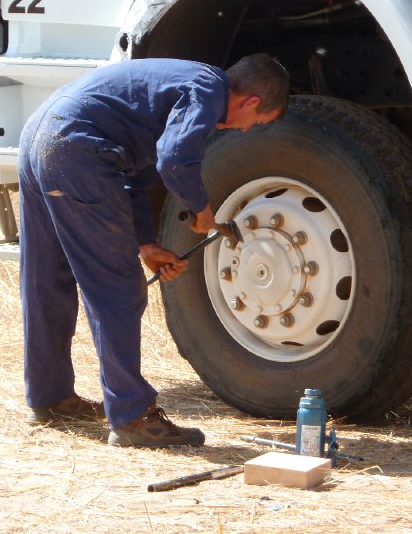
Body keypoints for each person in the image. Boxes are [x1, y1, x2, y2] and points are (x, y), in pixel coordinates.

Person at [17, 54, 289, 447]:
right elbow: (174, 159)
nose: (247, 131)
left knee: (48, 277)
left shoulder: (176, 90)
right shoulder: (208, 88)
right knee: (118, 289)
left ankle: (50, 397)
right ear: (249, 103)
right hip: (75, 146)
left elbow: (133, 179)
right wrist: (201, 208)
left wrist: (145, 244)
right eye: (257, 122)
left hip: (41, 136)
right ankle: (132, 417)